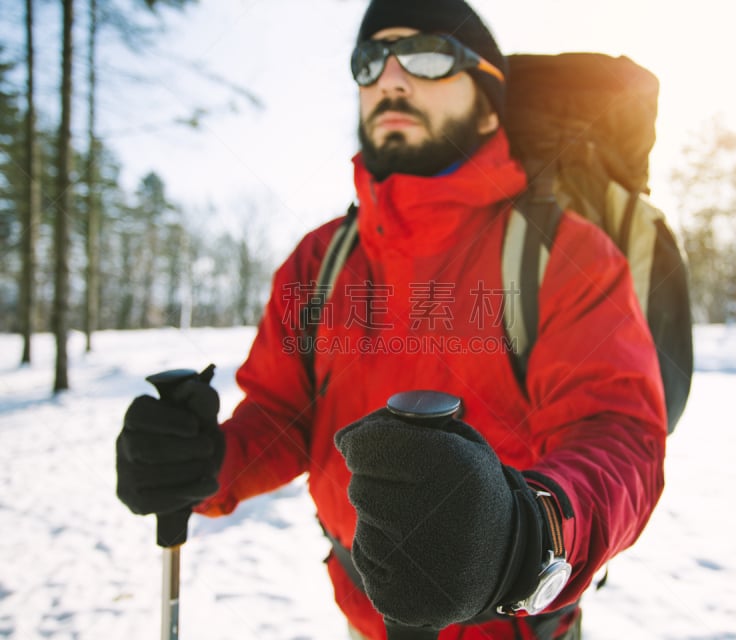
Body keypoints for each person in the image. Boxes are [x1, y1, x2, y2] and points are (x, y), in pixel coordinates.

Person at [115, 0, 667, 638]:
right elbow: (281, 419)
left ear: (488, 101)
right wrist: (204, 462)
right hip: (364, 620)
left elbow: (621, 437)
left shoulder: (561, 255)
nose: (392, 79)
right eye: (370, 61)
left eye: (429, 56)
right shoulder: (319, 261)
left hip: (516, 626)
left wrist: (525, 533)